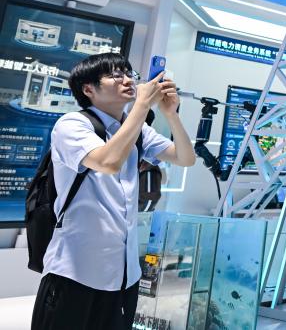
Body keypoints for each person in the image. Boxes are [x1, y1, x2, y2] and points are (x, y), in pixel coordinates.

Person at [31, 53, 196, 330]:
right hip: (75, 272)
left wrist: (171, 114)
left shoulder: (139, 130)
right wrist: (142, 106)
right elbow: (108, 162)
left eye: (129, 73)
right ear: (88, 89)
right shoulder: (72, 125)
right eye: (115, 75)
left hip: (124, 276)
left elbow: (185, 158)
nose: (127, 80)